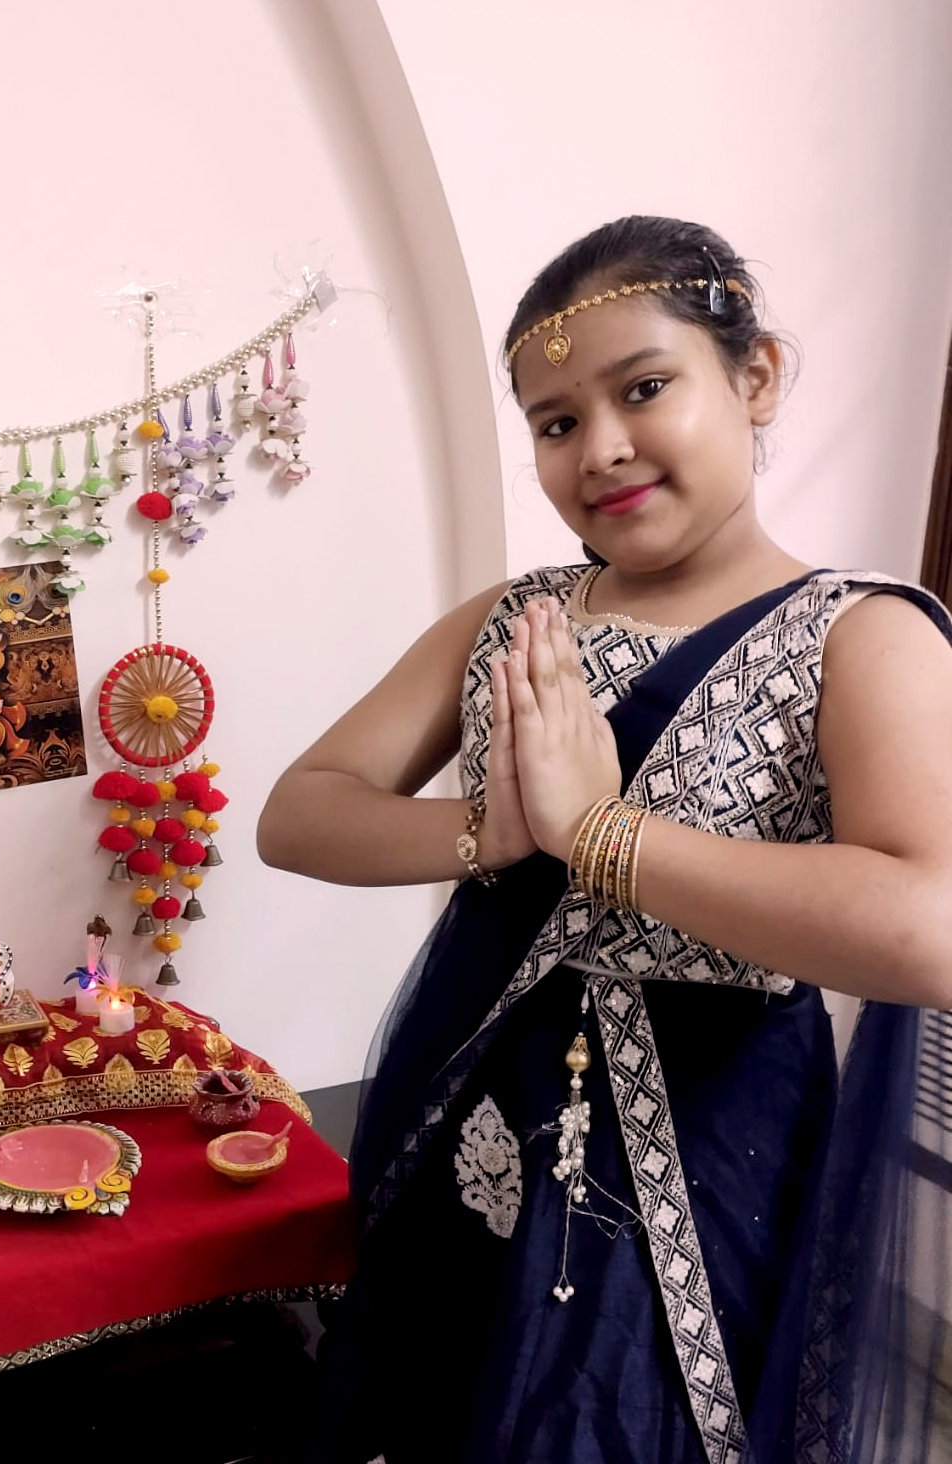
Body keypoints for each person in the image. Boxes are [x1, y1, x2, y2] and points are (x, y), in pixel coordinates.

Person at [258, 216, 952, 1464]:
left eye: (642, 389)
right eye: (554, 420)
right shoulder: (513, 618)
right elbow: (298, 812)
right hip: (475, 1097)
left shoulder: (858, 635)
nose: (601, 447)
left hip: (712, 1133)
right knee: (438, 1404)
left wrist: (597, 834)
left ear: (755, 378)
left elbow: (926, 929)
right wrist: (489, 830)